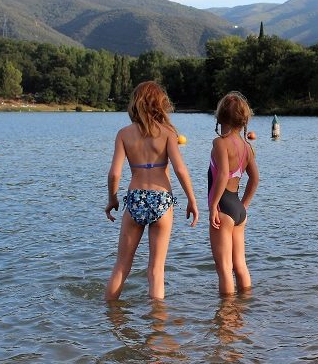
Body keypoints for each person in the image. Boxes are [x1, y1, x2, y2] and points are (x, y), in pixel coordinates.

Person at [105, 81, 198, 301]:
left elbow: (114, 174)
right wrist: (192, 200)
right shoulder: (167, 133)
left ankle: (110, 317)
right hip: (162, 200)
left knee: (121, 267)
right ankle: (158, 327)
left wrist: (112, 199)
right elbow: (180, 169)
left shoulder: (124, 134)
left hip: (135, 198)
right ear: (160, 104)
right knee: (156, 271)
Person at [208, 91, 260, 295]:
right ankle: (245, 308)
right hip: (238, 208)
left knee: (224, 269)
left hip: (223, 207)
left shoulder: (220, 143)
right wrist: (244, 205)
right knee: (240, 266)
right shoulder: (247, 147)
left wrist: (213, 205)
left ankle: (226, 317)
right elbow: (255, 179)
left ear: (220, 117)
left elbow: (221, 175)